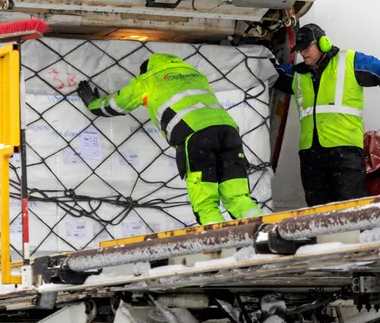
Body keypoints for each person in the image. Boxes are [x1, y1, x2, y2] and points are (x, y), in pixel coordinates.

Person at [75, 53, 263, 225]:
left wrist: (93, 105)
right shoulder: (194, 73)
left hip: (196, 137)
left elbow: (119, 103)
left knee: (205, 204)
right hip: (229, 132)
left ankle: (220, 247)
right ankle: (262, 233)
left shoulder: (148, 79)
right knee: (239, 198)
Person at [273, 23, 380, 207]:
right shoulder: (298, 75)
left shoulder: (350, 61)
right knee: (317, 209)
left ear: (323, 43)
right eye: (300, 50)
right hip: (311, 154)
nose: (303, 53)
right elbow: (272, 73)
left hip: (345, 151)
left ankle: (353, 237)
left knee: (350, 207)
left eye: (307, 48)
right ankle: (324, 238)